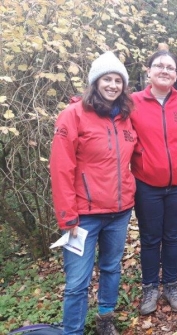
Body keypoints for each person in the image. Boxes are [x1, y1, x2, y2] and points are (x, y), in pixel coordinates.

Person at [50, 51, 136, 335]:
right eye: (107, 79)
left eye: (118, 80)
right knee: (77, 281)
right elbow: (61, 168)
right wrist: (67, 217)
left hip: (119, 212)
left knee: (111, 268)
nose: (112, 85)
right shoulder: (73, 115)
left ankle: (105, 319)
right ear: (95, 82)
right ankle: (72, 330)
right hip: (83, 216)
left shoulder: (125, 117)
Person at [130, 50, 177, 315]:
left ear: (176, 74)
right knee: (150, 238)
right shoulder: (132, 102)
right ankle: (150, 287)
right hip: (147, 183)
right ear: (148, 71)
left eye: (170, 68)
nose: (165, 70)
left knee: (172, 236)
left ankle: (171, 284)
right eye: (159, 65)